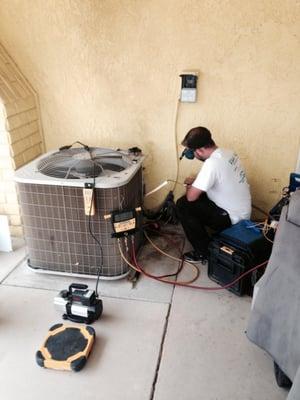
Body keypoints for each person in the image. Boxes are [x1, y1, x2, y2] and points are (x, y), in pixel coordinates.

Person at [176, 126, 251, 263]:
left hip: (232, 218)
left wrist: (188, 185)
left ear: (200, 150)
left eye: (193, 151)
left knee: (183, 205)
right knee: (199, 196)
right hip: (242, 211)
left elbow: (191, 197)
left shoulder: (212, 164)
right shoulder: (228, 153)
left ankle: (203, 252)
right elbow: (216, 177)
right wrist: (197, 182)